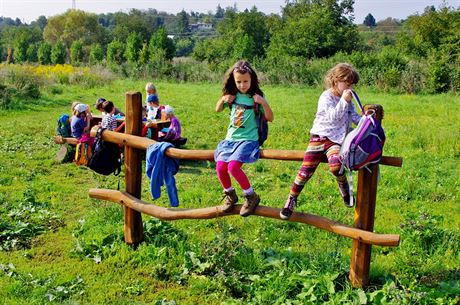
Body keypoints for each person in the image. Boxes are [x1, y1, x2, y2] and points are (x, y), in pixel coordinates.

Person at [280, 62, 362, 220]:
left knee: (337, 166)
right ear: (335, 80)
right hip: (319, 138)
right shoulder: (327, 97)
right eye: (347, 83)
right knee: (305, 172)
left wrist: (366, 119)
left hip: (335, 141)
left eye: (352, 84)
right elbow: (333, 117)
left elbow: (353, 117)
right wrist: (344, 101)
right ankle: (291, 199)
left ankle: (344, 187)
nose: (349, 88)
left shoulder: (348, 99)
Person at [214, 60, 274, 217]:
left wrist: (263, 103)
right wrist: (222, 100)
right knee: (220, 167)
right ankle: (230, 195)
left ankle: (251, 196)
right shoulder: (233, 96)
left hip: (248, 140)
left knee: (233, 167)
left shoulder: (256, 97)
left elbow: (270, 117)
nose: (242, 85)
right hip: (230, 139)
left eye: (245, 81)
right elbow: (217, 109)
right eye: (238, 81)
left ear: (251, 79)